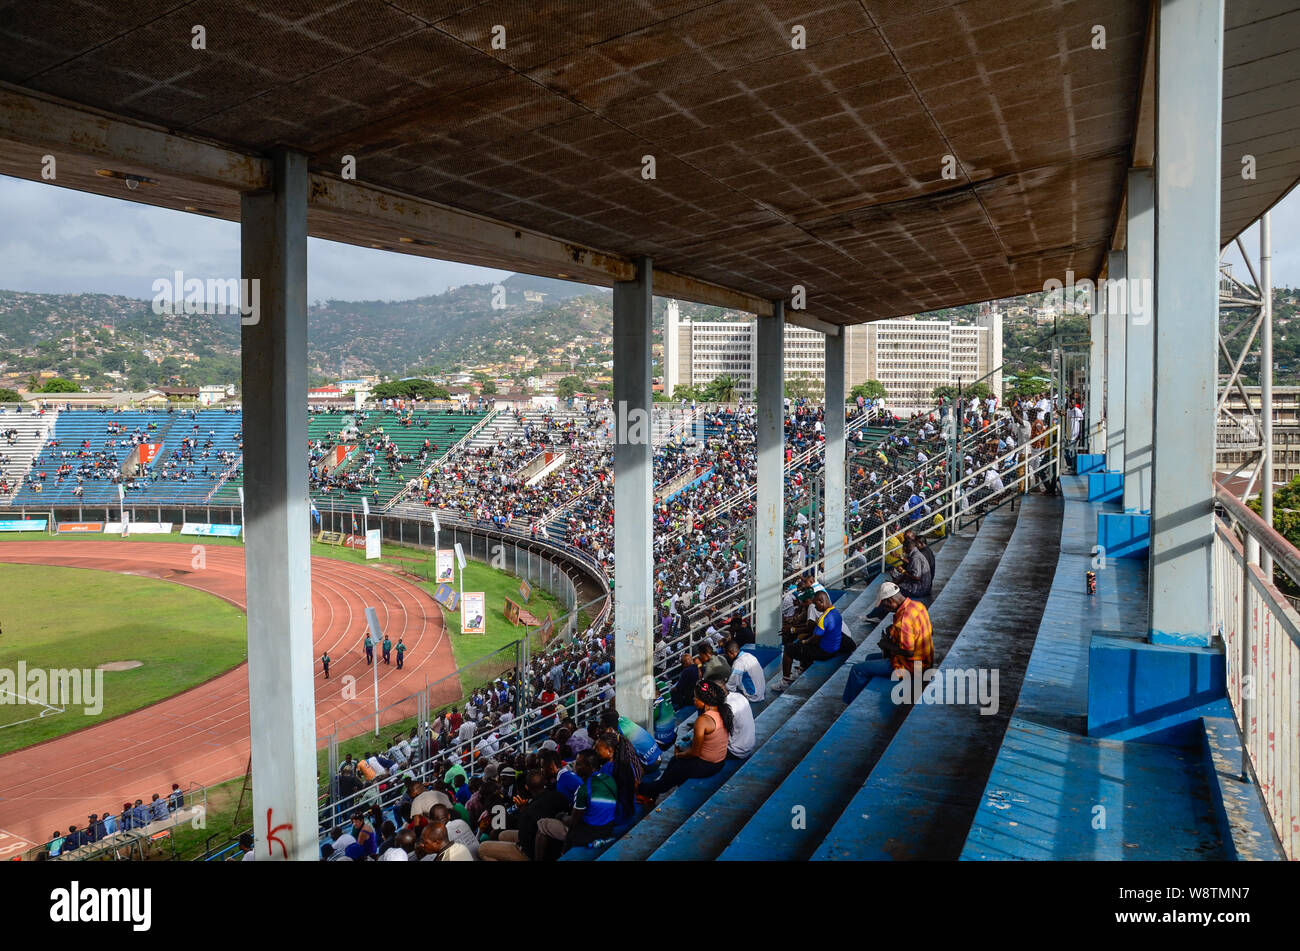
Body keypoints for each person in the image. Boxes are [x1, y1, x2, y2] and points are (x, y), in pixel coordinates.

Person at [637, 680, 731, 802]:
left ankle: (641, 789)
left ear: (704, 701)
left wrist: (679, 754)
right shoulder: (721, 711)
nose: (693, 699)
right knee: (673, 762)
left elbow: (695, 753)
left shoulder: (703, 720)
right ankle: (654, 793)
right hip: (718, 761)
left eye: (696, 697)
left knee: (669, 775)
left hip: (707, 765)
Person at [842, 581, 934, 705]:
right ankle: (862, 695)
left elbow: (908, 651)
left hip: (911, 666)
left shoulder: (903, 619)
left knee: (856, 670)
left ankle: (850, 703)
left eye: (885, 605)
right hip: (926, 659)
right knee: (869, 658)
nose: (885, 609)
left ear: (891, 601)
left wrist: (886, 644)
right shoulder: (918, 605)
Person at [776, 590, 848, 691]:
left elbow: (814, 639)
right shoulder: (835, 612)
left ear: (821, 601)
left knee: (789, 649)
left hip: (825, 652)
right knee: (803, 640)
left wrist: (804, 642)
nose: (814, 606)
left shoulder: (824, 618)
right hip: (833, 648)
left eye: (815, 603)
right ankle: (802, 669)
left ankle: (785, 681)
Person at [723, 639, 765, 703]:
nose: (727, 656)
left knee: (727, 691)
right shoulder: (749, 655)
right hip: (761, 693)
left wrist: (723, 685)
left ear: (731, 652)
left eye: (727, 654)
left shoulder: (738, 663)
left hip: (753, 697)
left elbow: (731, 686)